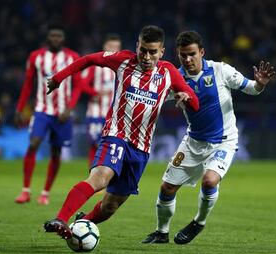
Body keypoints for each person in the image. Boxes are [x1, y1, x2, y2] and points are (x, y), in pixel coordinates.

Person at [43, 25, 200, 240]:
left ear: (162, 51)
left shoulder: (168, 72)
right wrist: (58, 78)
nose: (146, 56)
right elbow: (88, 59)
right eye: (142, 50)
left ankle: (82, 224)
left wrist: (187, 98)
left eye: (152, 52)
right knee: (100, 177)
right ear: (137, 46)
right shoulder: (123, 60)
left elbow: (196, 103)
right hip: (116, 135)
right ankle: (61, 218)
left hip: (141, 149)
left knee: (110, 206)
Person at [141, 31, 275, 245]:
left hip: (223, 141)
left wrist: (260, 84)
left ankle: (199, 222)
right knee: (167, 188)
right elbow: (153, 100)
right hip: (193, 142)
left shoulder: (221, 70)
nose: (187, 59)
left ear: (201, 52)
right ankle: (161, 232)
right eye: (183, 55)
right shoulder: (174, 78)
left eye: (192, 54)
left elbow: (251, 88)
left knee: (210, 180)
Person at [14, 25, 82, 205]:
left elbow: (79, 85)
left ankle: (45, 192)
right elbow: (28, 84)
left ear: (63, 38)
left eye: (59, 36)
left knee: (56, 151)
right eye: (53, 35)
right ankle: (25, 190)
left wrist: (69, 108)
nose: (56, 38)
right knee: (34, 143)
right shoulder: (36, 57)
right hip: (42, 110)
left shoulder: (72, 57)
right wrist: (20, 108)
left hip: (62, 114)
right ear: (48, 38)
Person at [80, 34, 122, 166]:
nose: (114, 50)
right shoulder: (96, 66)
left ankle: (107, 177)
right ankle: (92, 176)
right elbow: (81, 84)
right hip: (96, 113)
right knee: (94, 145)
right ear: (105, 47)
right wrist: (95, 93)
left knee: (113, 147)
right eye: (111, 46)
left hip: (115, 115)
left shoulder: (123, 67)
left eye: (117, 47)